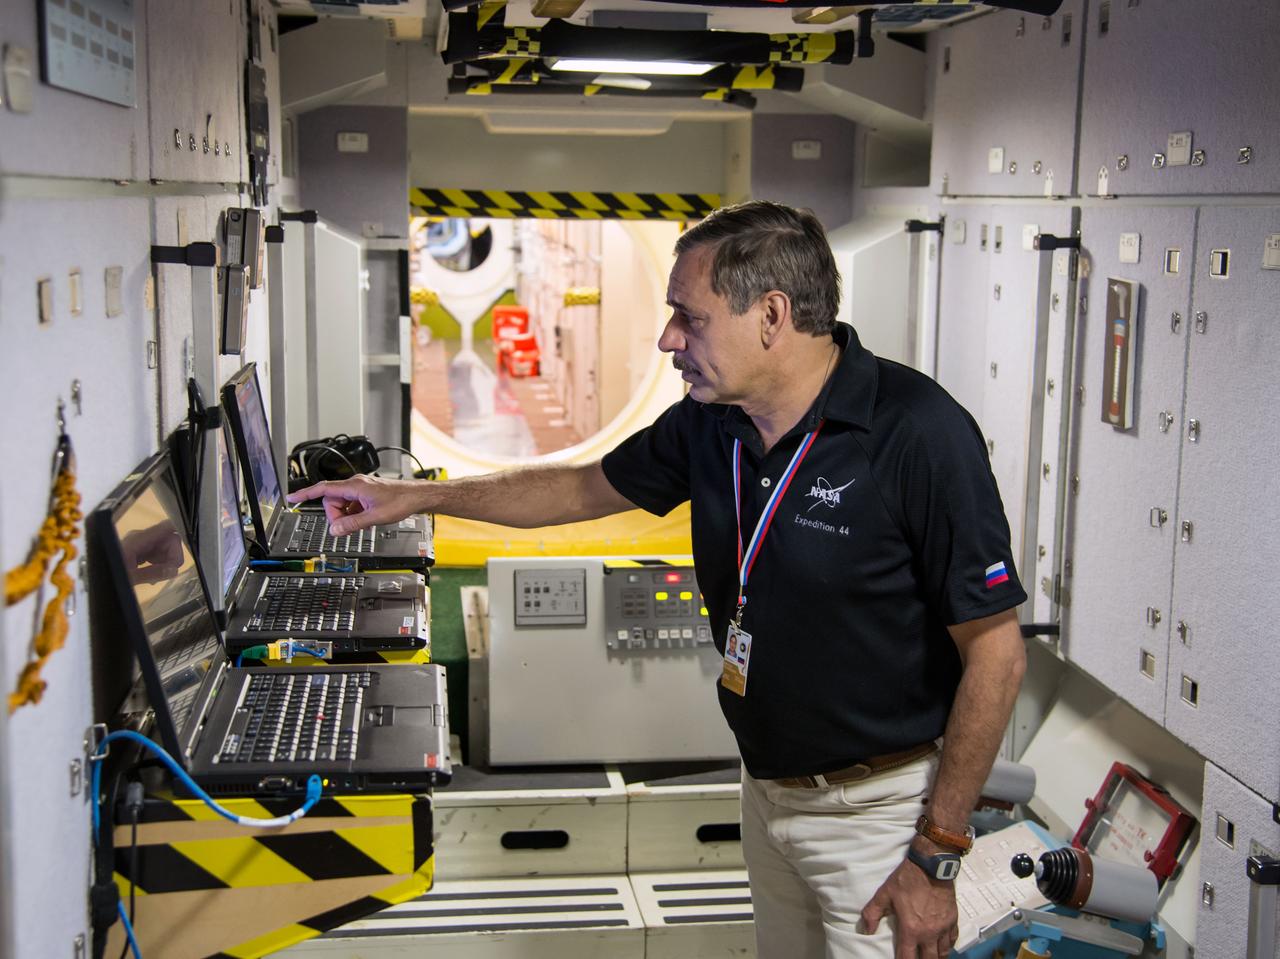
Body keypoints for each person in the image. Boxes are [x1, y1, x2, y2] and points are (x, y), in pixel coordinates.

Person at [289, 200, 1027, 959]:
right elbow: (578, 490)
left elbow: (997, 656)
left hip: (880, 818)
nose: (669, 338)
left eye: (690, 317)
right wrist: (416, 495)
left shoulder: (918, 434)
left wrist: (936, 854)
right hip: (767, 791)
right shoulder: (714, 422)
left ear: (771, 315)